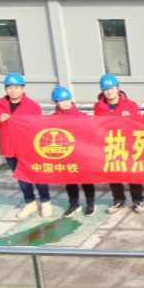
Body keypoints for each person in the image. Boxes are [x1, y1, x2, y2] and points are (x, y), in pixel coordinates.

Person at [0, 73, 52, 219]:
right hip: (9, 148)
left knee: (37, 174)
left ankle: (45, 201)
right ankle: (30, 202)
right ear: (6, 89)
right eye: (10, 87)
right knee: (21, 177)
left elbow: (39, 128)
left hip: (28, 149)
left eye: (16, 87)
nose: (13, 90)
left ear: (23, 88)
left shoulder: (32, 106)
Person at [94, 74, 144, 214]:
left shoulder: (131, 105)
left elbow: (139, 125)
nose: (109, 92)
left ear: (118, 88)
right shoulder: (99, 107)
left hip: (128, 145)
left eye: (112, 88)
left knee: (132, 173)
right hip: (110, 145)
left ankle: (137, 200)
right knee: (113, 174)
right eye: (106, 89)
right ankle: (118, 199)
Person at [51, 86, 97, 218]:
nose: (65, 103)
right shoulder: (52, 119)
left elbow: (91, 135)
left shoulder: (82, 116)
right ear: (56, 102)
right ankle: (74, 204)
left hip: (82, 155)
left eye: (67, 99)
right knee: (70, 181)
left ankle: (90, 204)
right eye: (61, 101)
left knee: (86, 181)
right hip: (65, 156)